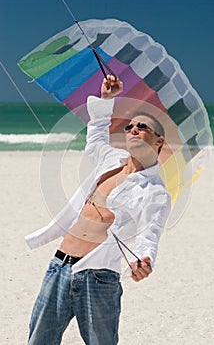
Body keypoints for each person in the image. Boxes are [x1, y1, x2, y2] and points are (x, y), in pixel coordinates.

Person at [26, 75, 171, 345]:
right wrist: (107, 101)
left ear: (159, 141)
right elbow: (96, 134)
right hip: (59, 265)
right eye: (129, 126)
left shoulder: (155, 192)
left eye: (142, 126)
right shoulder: (110, 158)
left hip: (98, 278)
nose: (133, 129)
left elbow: (149, 234)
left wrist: (144, 260)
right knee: (38, 341)